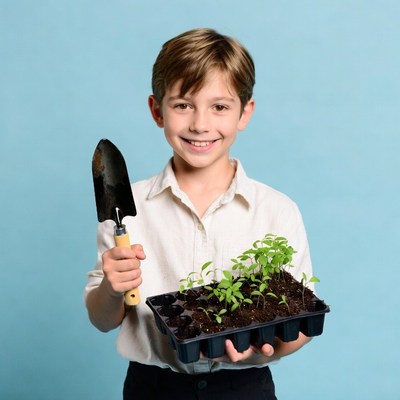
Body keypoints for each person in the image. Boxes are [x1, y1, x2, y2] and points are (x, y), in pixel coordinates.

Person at [85, 28, 314, 400]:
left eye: (220, 106)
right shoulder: (127, 209)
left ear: (245, 113)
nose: (200, 124)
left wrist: (267, 347)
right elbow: (102, 319)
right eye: (183, 105)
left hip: (244, 388)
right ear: (157, 110)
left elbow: (300, 323)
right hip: (153, 388)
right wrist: (112, 288)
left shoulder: (276, 210)